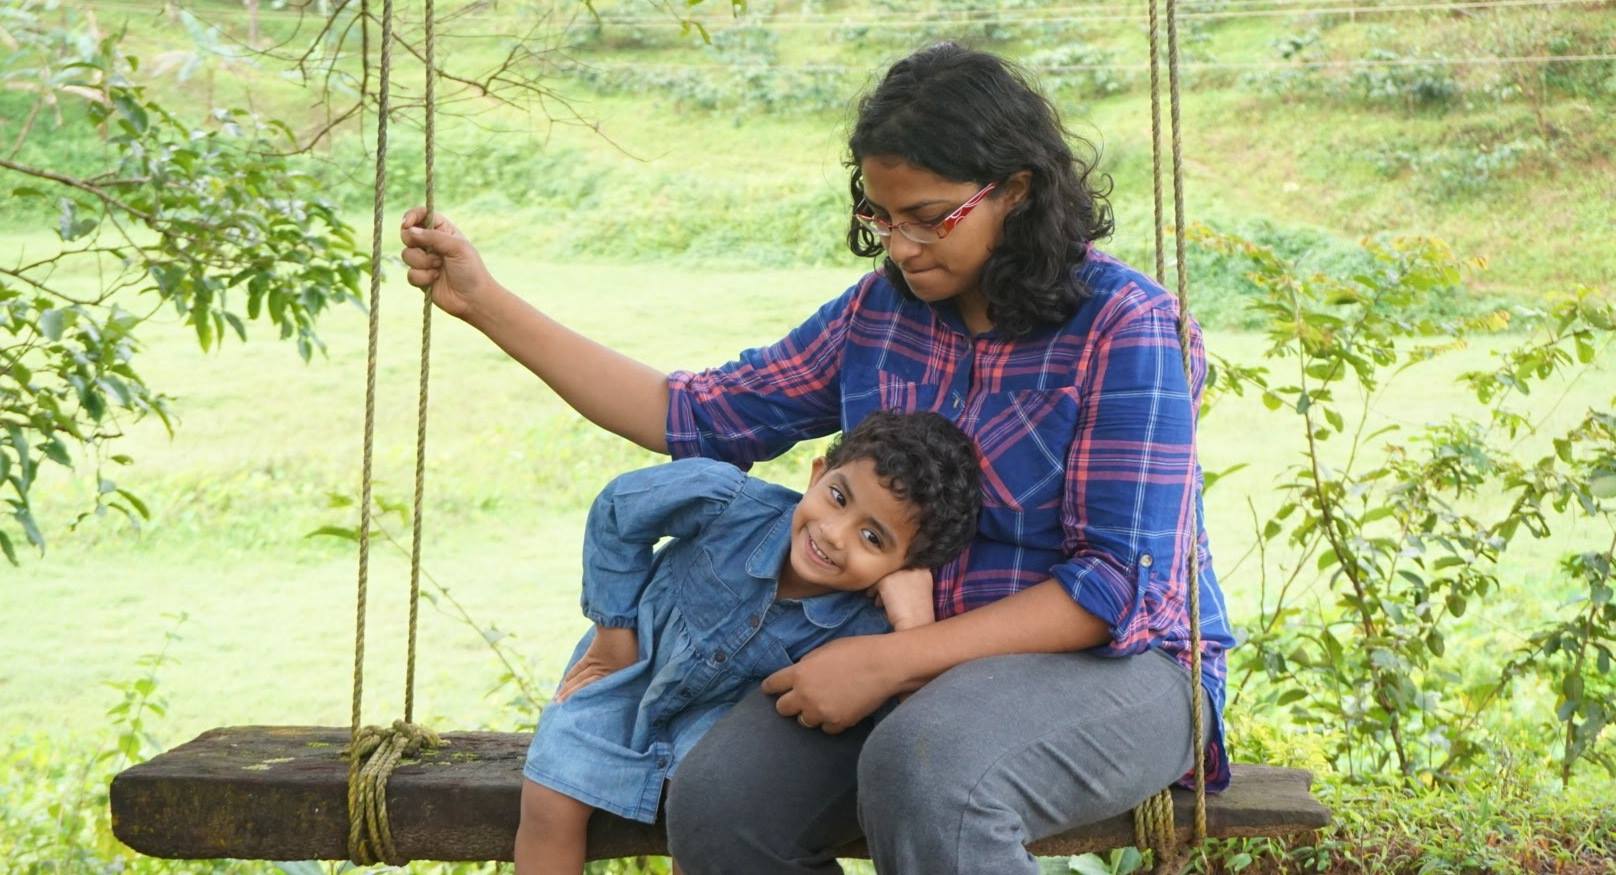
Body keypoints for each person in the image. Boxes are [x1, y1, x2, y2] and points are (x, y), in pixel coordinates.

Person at [401, 41, 1237, 875]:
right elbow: (692, 414)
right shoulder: (882, 313)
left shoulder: (1127, 329)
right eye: (884, 216)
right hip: (895, 656)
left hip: (1123, 668)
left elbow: (1114, 587)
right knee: (721, 799)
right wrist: (484, 302)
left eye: (930, 217)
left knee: (931, 766)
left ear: (1016, 191)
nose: (902, 246)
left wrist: (887, 659)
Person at [515, 410, 981, 875]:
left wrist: (913, 623)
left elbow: (913, 740)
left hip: (721, 721)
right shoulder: (727, 500)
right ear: (818, 473)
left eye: (872, 537)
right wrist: (613, 634)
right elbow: (620, 509)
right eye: (838, 497)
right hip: (629, 671)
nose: (834, 535)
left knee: (703, 820)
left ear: (904, 567)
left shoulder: (867, 627)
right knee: (550, 796)